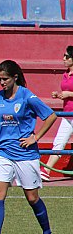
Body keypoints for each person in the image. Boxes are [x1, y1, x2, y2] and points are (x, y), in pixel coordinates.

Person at [0, 60, 57, 234]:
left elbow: (50, 115)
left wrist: (35, 137)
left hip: (25, 154)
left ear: (15, 77)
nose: (1, 82)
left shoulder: (27, 96)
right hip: (4, 153)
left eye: (4, 79)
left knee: (32, 198)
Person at [40, 46, 73, 181]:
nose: (63, 59)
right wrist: (59, 95)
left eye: (66, 56)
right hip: (67, 114)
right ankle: (46, 171)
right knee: (59, 142)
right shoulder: (65, 74)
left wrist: (70, 94)